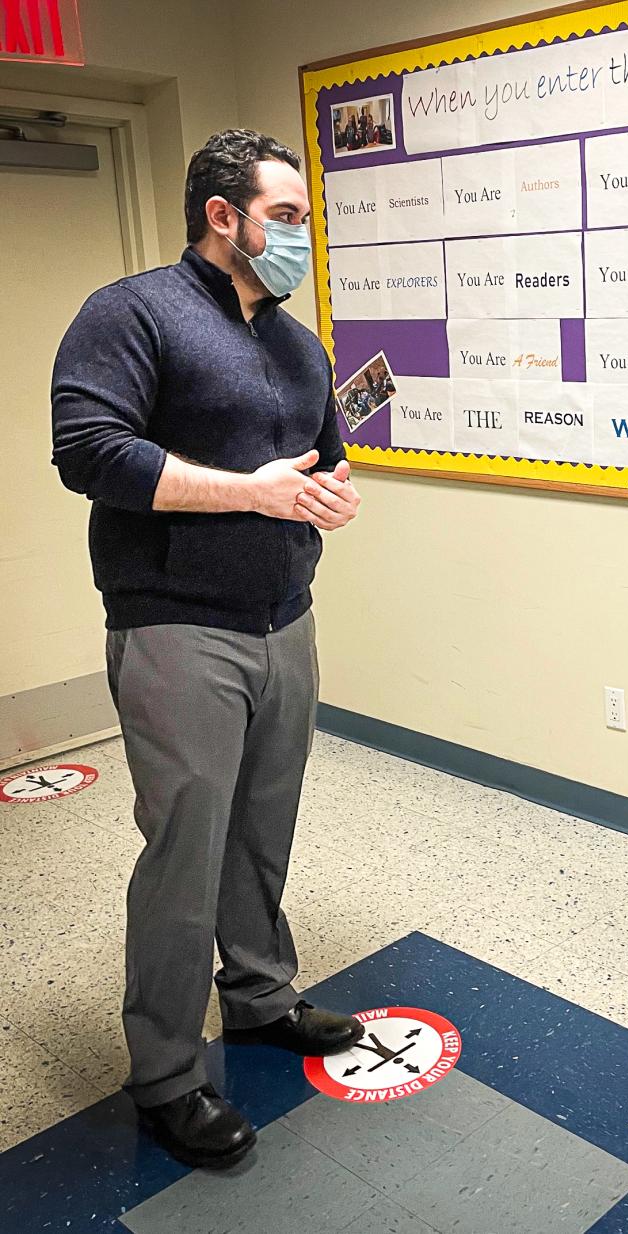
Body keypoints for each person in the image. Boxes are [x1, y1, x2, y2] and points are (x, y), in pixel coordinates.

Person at [51, 130, 365, 1170]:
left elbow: (323, 457)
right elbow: (89, 453)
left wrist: (328, 495)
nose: (298, 238)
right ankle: (166, 1076)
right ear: (221, 216)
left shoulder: (298, 341)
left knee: (260, 835)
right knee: (184, 854)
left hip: (285, 620)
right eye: (285, 217)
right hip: (175, 624)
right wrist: (250, 491)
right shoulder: (132, 313)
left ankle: (262, 999)